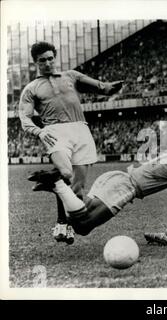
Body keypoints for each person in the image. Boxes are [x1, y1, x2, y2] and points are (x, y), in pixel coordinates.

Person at [28, 136, 167, 237]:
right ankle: (58, 184)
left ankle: (60, 186)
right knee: (83, 226)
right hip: (126, 187)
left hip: (115, 178)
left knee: (81, 211)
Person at [19, 42, 124, 244]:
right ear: (36, 62)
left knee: (76, 190)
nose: (48, 63)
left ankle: (65, 224)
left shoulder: (72, 76)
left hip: (81, 130)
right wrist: (39, 132)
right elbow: (25, 118)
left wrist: (113, 87)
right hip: (54, 132)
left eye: (51, 58)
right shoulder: (31, 89)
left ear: (55, 58)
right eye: (43, 60)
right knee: (65, 173)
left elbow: (103, 88)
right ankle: (60, 220)